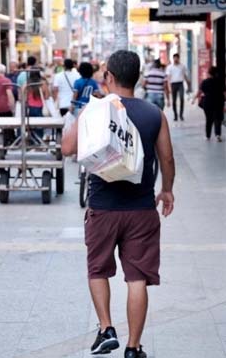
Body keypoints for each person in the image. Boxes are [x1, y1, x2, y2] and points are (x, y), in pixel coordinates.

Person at [62, 50, 175, 358]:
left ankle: (106, 328)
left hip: (103, 208)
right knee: (137, 278)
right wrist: (167, 190)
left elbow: (68, 148)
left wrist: (85, 114)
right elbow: (166, 157)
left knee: (98, 269)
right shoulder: (154, 114)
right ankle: (133, 347)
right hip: (141, 209)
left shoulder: (96, 109)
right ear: (137, 77)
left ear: (109, 77)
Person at [193, 66, 226, 142]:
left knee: (209, 119)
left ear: (209, 73)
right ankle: (218, 135)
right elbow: (224, 93)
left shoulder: (205, 82)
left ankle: (208, 136)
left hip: (208, 103)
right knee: (217, 119)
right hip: (218, 102)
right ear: (216, 73)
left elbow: (200, 92)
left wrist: (194, 99)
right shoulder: (220, 82)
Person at [166, 53, 191, 121]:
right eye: (174, 58)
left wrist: (188, 83)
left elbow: (184, 75)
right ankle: (175, 115)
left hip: (180, 83)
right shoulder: (170, 67)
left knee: (182, 98)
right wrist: (169, 87)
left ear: (178, 58)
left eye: (177, 58)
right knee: (174, 101)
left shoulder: (182, 66)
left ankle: (181, 114)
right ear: (173, 58)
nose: (176, 59)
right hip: (173, 84)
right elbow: (168, 78)